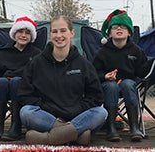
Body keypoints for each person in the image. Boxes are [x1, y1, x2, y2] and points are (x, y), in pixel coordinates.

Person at [18, 16, 108, 146]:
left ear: (72, 33)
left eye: (63, 30)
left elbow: (96, 97)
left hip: (77, 115)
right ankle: (77, 135)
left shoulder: (84, 64)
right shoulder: (36, 63)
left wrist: (76, 110)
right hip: (47, 116)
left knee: (101, 112)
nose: (59, 35)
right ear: (50, 34)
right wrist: (48, 109)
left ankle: (49, 138)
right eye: (55, 31)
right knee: (26, 112)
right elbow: (24, 94)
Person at [93, 9, 153, 142]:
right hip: (108, 85)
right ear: (109, 32)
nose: (119, 28)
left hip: (130, 84)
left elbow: (142, 73)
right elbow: (93, 73)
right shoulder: (102, 53)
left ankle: (134, 126)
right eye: (115, 27)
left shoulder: (136, 51)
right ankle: (111, 127)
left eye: (123, 26)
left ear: (129, 32)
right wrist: (104, 76)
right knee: (111, 86)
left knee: (127, 83)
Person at [0, 16, 42, 141]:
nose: (23, 35)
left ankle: (15, 126)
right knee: (1, 81)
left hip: (24, 85)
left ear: (31, 36)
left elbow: (36, 73)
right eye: (20, 32)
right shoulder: (4, 51)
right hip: (4, 84)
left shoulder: (36, 54)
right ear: (14, 33)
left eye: (27, 33)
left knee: (16, 81)